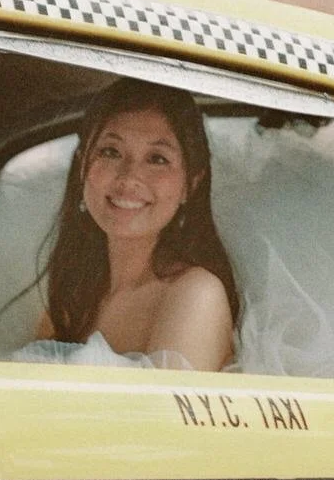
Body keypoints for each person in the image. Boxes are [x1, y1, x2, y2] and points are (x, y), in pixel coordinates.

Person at [28, 78, 240, 372]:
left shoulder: (195, 294)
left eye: (157, 159)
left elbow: (165, 417)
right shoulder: (72, 294)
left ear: (189, 185)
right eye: (110, 152)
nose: (129, 178)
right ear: (82, 166)